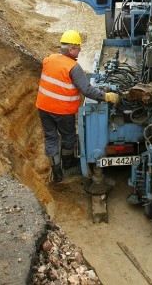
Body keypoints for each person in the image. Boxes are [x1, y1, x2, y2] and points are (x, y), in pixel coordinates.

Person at [36, 30, 119, 183]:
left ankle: (57, 172)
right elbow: (87, 90)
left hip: (43, 107)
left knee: (50, 137)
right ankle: (68, 164)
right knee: (68, 136)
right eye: (78, 48)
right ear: (71, 49)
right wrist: (106, 96)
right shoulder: (74, 67)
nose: (80, 51)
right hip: (63, 111)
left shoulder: (48, 59)